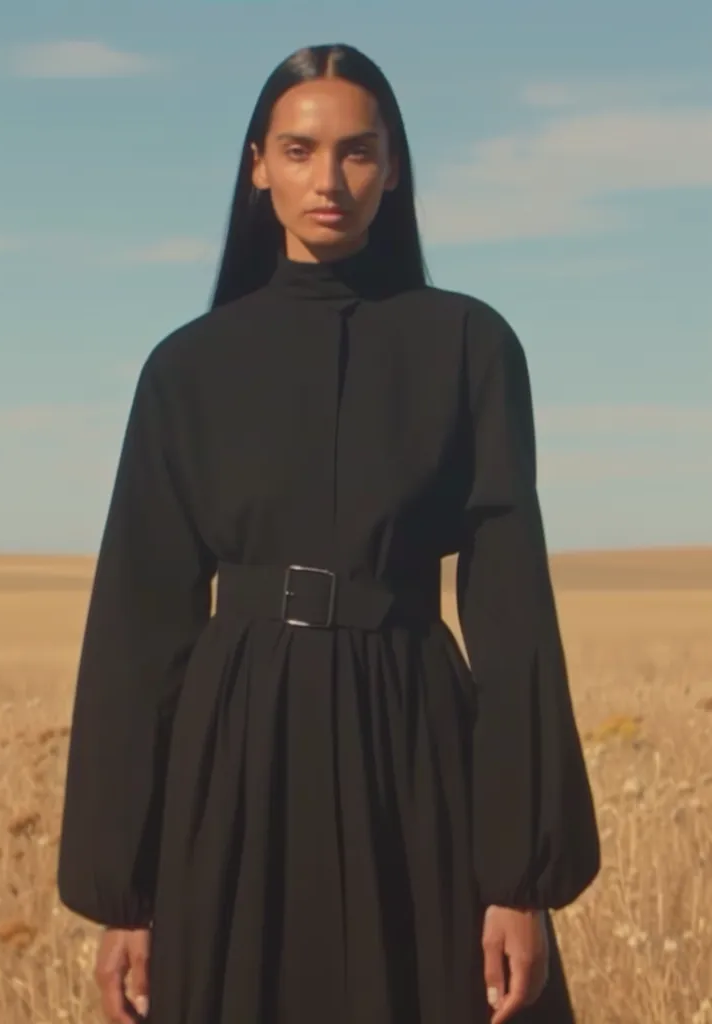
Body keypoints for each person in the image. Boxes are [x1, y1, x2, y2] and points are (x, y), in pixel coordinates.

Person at [57, 42, 600, 1024]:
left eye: (357, 153)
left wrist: (518, 882)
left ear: (393, 169)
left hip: (413, 746)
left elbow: (514, 617)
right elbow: (137, 638)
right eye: (300, 150)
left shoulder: (468, 347)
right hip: (236, 761)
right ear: (256, 164)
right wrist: (125, 899)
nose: (329, 180)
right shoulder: (188, 369)